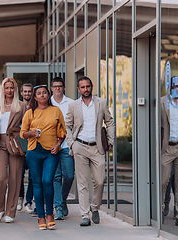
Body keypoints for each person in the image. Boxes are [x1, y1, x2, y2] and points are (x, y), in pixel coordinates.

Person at [65, 76, 115, 227]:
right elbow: (67, 125)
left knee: (99, 181)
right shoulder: (73, 105)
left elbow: (109, 121)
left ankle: (95, 207)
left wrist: (111, 140)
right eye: (83, 87)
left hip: (97, 147)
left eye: (88, 86)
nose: (85, 89)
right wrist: (71, 144)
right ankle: (85, 215)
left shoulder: (101, 102)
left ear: (91, 87)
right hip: (80, 146)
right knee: (82, 182)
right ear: (78, 89)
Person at [20, 85, 66, 230]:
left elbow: (62, 132)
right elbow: (22, 133)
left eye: (44, 93)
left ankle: (49, 214)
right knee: (37, 183)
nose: (42, 95)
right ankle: (41, 217)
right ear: (35, 97)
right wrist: (31, 133)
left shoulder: (56, 111)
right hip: (33, 151)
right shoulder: (30, 112)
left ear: (48, 95)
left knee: (47, 181)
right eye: (39, 93)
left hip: (51, 152)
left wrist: (58, 145)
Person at [0, 77, 26, 223]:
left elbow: (25, 125)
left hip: (15, 143)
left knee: (15, 178)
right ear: (2, 89)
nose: (9, 90)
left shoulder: (21, 106)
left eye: (12, 88)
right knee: (1, 177)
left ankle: (10, 212)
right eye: (7, 87)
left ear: (15, 89)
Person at [50, 77, 75, 220]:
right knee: (56, 177)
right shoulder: (47, 104)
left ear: (64, 88)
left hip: (66, 146)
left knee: (69, 175)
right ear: (51, 88)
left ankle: (62, 199)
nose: (57, 88)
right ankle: (58, 207)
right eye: (55, 86)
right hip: (51, 147)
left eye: (60, 86)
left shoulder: (71, 103)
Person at [161, 75, 178, 225]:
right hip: (166, 148)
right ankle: (161, 208)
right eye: (175, 86)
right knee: (164, 181)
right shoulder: (162, 102)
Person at [17, 83, 34, 213]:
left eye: (29, 91)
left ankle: (28, 201)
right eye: (25, 91)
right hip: (20, 146)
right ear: (21, 93)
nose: (27, 94)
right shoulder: (17, 107)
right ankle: (20, 198)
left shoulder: (36, 107)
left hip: (33, 145)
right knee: (20, 174)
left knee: (33, 176)